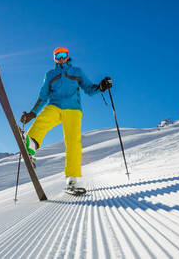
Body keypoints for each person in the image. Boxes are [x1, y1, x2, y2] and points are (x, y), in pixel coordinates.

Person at [20, 47, 112, 191]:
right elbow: (43, 96)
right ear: (54, 58)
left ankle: (72, 180)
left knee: (73, 142)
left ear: (68, 56)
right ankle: (30, 149)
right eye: (57, 56)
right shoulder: (50, 74)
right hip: (55, 106)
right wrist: (32, 113)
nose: (61, 58)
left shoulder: (77, 72)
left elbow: (89, 88)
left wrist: (100, 87)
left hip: (73, 110)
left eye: (63, 55)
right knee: (41, 121)